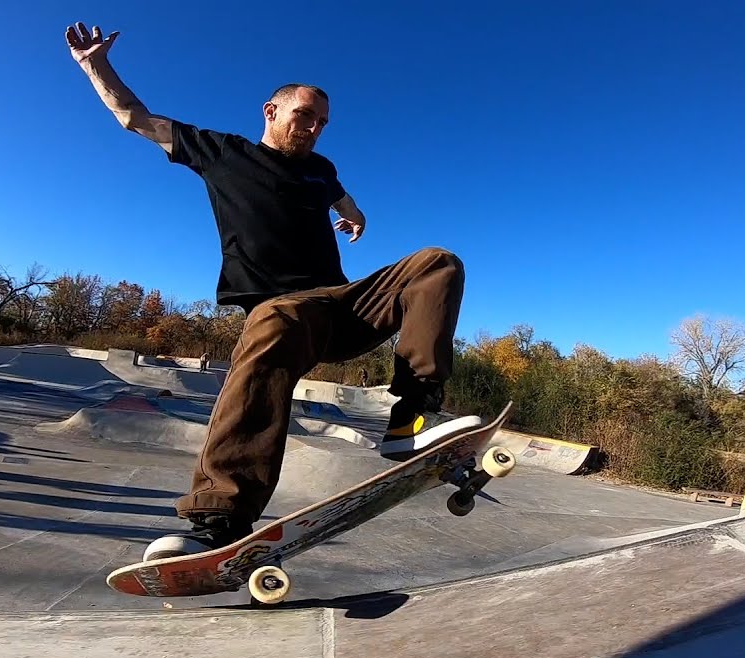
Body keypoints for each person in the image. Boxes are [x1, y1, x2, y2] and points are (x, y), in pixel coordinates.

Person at [67, 22, 482, 557]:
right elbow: (134, 118)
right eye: (303, 117)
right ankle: (220, 519)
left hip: (345, 307)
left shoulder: (321, 169)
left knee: (438, 263)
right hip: (284, 314)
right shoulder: (222, 152)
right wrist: (94, 65)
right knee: (276, 318)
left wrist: (352, 212)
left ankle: (411, 416)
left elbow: (337, 190)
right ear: (272, 111)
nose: (312, 129)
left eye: (322, 123)